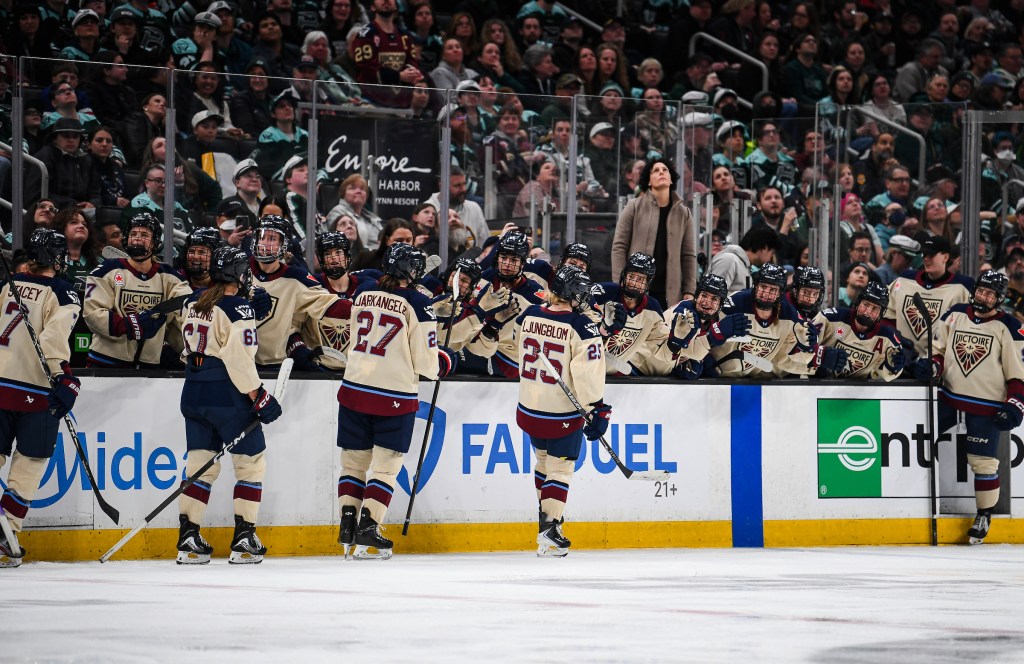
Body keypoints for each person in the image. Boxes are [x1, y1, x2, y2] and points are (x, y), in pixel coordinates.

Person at [336, 243, 456, 559]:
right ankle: (369, 529)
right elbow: (427, 365)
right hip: (393, 396)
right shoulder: (419, 303)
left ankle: (347, 527)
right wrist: (447, 359)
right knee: (386, 469)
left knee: (353, 464)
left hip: (354, 388)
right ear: (410, 272)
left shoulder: (362, 292)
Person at [175, 246, 283, 566]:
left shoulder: (193, 300)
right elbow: (238, 358)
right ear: (238, 274)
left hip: (193, 389)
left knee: (200, 464)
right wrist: (258, 395)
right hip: (226, 391)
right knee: (251, 463)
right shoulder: (239, 308)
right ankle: (244, 537)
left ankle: (188, 538)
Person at [919, 271, 1024, 544]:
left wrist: (1016, 402)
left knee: (983, 462)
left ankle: (984, 514)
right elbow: (939, 349)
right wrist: (934, 365)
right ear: (974, 290)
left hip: (986, 404)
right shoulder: (955, 313)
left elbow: (1018, 372)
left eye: (991, 294)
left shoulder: (1009, 326)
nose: (984, 297)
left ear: (999, 299)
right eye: (981, 291)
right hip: (948, 397)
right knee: (922, 446)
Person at [0, 230, 82, 568]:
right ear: (57, 257)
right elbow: (52, 342)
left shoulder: (8, 284)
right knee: (30, 462)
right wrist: (65, 377)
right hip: (35, 390)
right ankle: (9, 528)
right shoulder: (64, 292)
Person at [515, 265, 608, 557]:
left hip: (530, 407)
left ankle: (545, 521)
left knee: (543, 464)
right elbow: (588, 375)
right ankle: (551, 528)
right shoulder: (581, 325)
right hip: (560, 412)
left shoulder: (529, 314)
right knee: (561, 468)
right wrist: (597, 409)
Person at [83, 213, 191, 369]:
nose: (137, 238)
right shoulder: (105, 271)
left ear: (155, 242)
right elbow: (93, 313)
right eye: (133, 234)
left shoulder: (171, 278)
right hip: (106, 361)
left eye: (145, 234)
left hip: (148, 366)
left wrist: (190, 351)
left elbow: (182, 316)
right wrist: (130, 325)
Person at [248, 217, 351, 371]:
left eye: (272, 238)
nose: (265, 243)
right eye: (261, 237)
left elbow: (330, 305)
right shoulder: (240, 270)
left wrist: (362, 309)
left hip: (274, 365)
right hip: (241, 361)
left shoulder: (297, 277)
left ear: (284, 244)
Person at [710, 263, 832, 378]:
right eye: (763, 287)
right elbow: (706, 331)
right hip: (717, 378)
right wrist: (712, 339)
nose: (767, 293)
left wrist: (809, 349)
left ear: (780, 292)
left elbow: (797, 356)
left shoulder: (790, 315)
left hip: (757, 380)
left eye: (773, 290)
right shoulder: (736, 303)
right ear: (756, 285)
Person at [611, 159, 697, 307]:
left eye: (665, 170)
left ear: (671, 180)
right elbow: (619, 247)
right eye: (655, 171)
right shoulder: (634, 206)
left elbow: (688, 255)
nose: (661, 172)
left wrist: (689, 290)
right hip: (635, 290)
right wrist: (620, 284)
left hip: (670, 294)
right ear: (649, 181)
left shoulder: (684, 213)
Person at [884, 236, 973, 361]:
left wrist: (938, 361)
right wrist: (897, 344)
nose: (926, 259)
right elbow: (886, 317)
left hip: (940, 365)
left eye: (931, 255)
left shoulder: (962, 288)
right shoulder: (904, 280)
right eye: (924, 254)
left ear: (946, 257)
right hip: (900, 360)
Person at [592, 253, 669, 376]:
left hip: (615, 377)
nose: (634, 282)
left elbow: (661, 348)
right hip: (587, 368)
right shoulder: (602, 293)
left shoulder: (653, 309)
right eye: (631, 276)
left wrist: (677, 342)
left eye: (640, 279)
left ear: (648, 282)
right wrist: (601, 331)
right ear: (624, 275)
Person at [818, 281, 905, 380]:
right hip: (816, 384)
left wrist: (894, 367)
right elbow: (805, 344)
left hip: (857, 391)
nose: (868, 312)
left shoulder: (888, 338)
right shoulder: (831, 318)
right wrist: (820, 357)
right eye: (866, 305)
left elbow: (885, 375)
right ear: (858, 303)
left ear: (882, 313)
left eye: (875, 309)